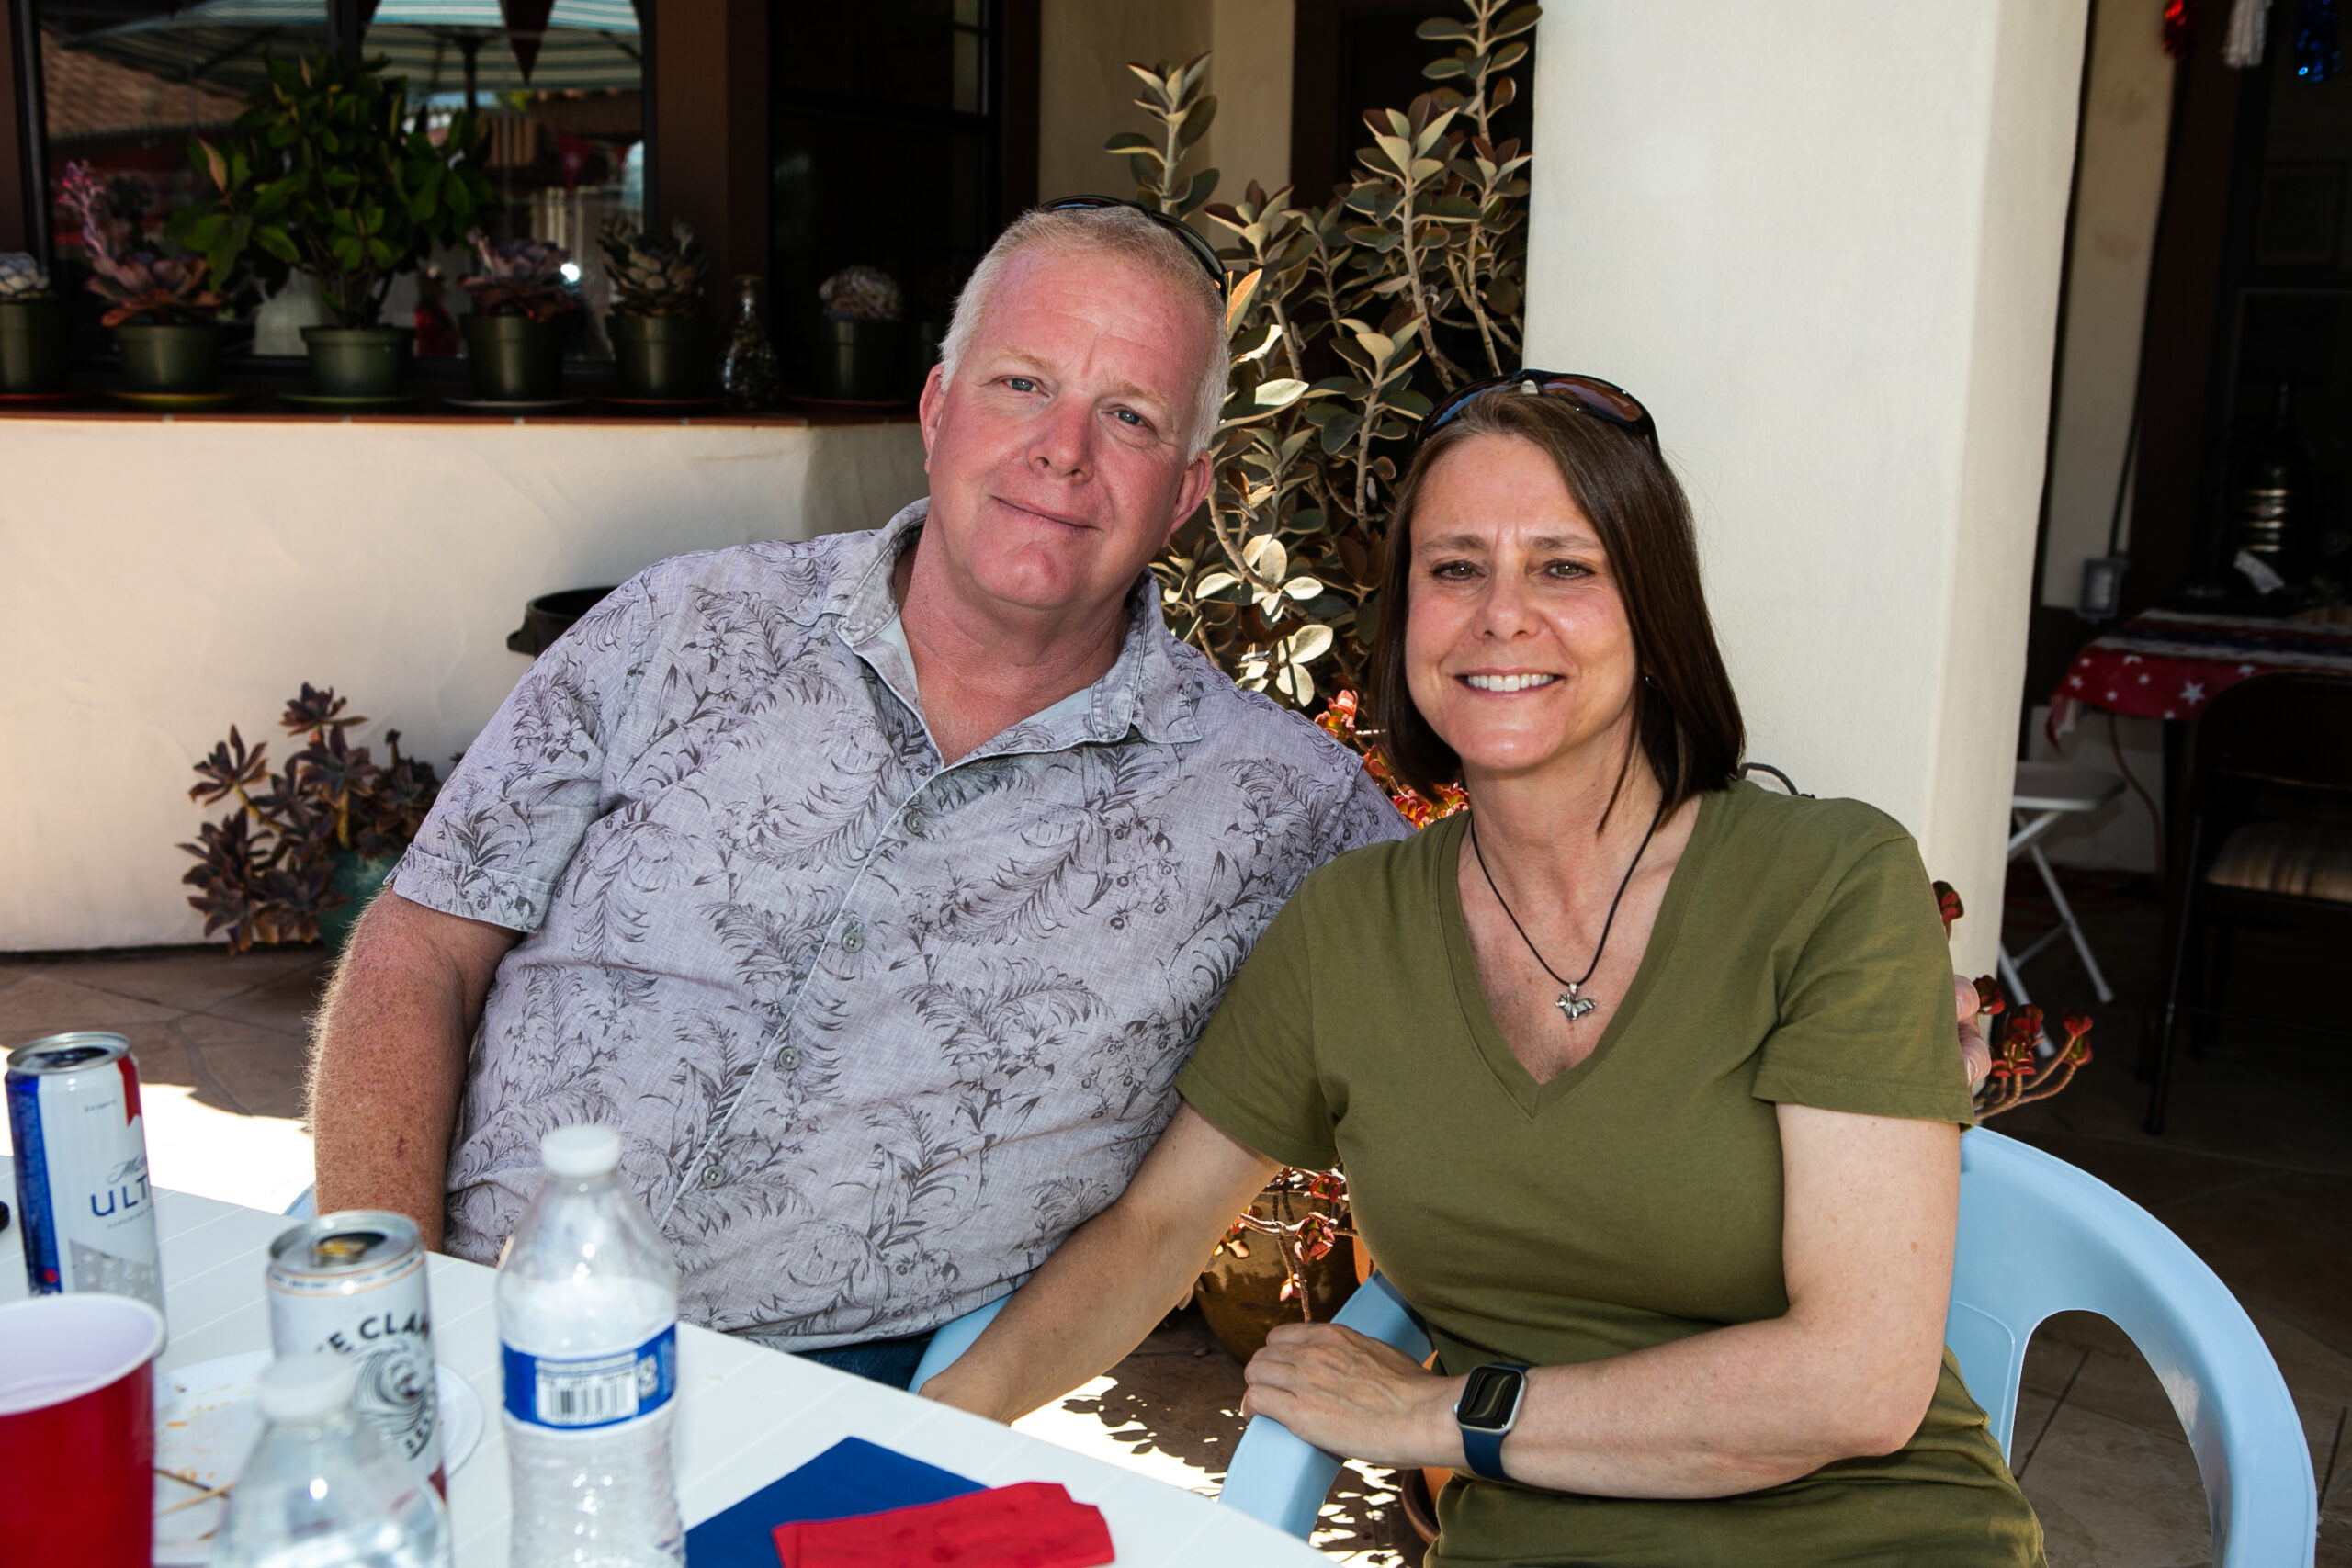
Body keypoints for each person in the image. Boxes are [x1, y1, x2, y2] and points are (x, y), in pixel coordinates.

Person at [922, 376, 2043, 1565]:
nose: (1503, 615)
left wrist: (1437, 1417)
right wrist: (923, 1428)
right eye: (1455, 568)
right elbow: (1155, 1229)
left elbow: (1858, 1383)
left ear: (1653, 613)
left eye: (1565, 567)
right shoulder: (1353, 931)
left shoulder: (1828, 882)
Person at [306, 200, 1408, 1385]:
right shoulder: (682, 622)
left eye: (1128, 416)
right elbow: (419, 948)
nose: (1063, 450)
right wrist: (388, 1318)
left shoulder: (1278, 806)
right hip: (462, 1305)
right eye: (1023, 384)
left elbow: (1503, 976)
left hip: (830, 1393)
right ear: (936, 410)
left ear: (1186, 495)